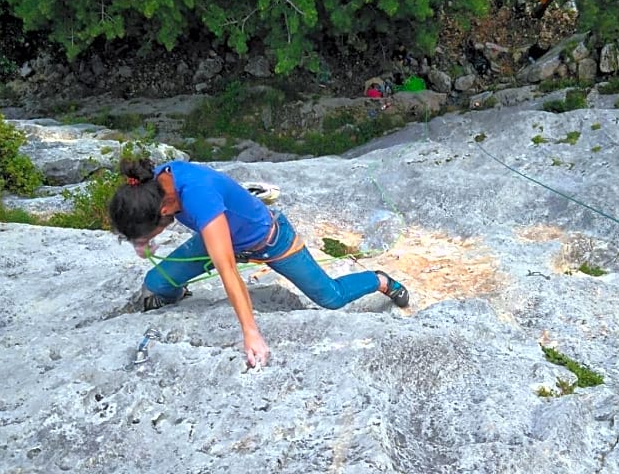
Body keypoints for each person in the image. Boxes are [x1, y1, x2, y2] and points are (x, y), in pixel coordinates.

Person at [107, 158, 410, 368]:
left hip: (271, 242)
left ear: (162, 209)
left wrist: (251, 332)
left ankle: (381, 280)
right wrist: (143, 239)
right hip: (220, 235)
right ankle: (181, 290)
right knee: (156, 285)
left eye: (153, 229)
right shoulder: (151, 185)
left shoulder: (199, 197)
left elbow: (228, 270)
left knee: (331, 297)